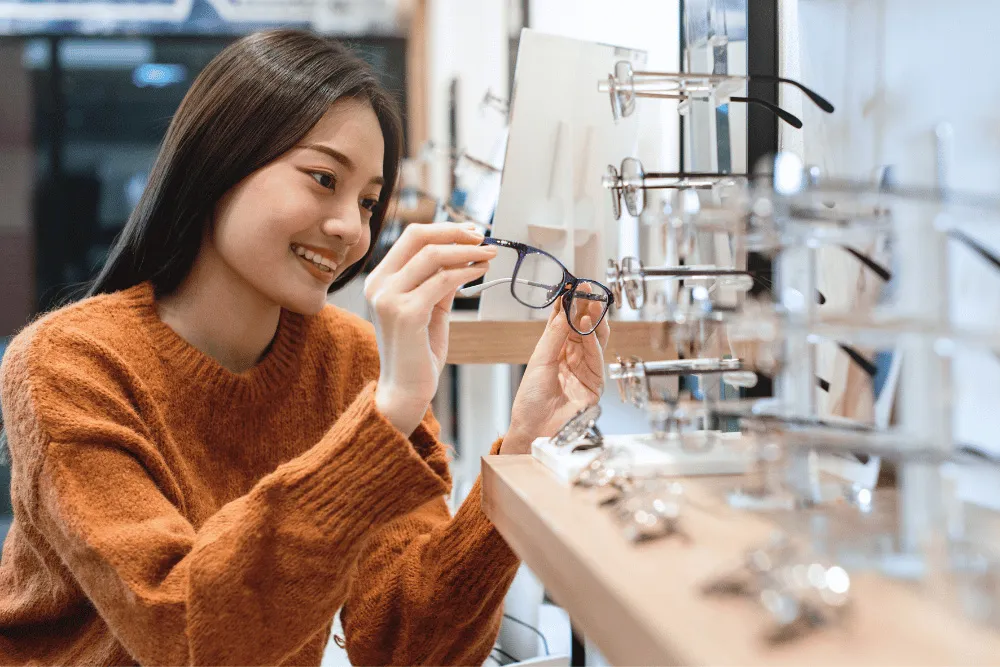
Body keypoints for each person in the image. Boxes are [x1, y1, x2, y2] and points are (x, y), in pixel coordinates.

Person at [0, 29, 609, 666]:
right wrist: (385, 417)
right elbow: (185, 636)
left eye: (370, 201)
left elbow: (408, 646)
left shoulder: (350, 359)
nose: (353, 228)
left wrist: (521, 451)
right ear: (219, 159)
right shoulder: (68, 364)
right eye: (323, 178)